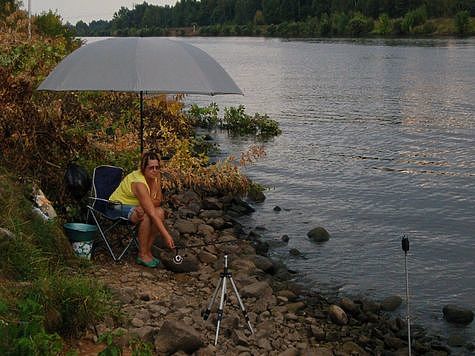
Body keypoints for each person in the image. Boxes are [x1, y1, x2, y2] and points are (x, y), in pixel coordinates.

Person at [109, 151, 175, 268]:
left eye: (157, 167)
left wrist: (145, 205)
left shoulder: (155, 176)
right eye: (151, 168)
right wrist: (166, 236)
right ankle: (142, 254)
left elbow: (159, 200)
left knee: (160, 212)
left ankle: (146, 251)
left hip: (135, 206)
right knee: (146, 215)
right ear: (143, 168)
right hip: (116, 206)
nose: (155, 170)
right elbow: (151, 212)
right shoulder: (139, 183)